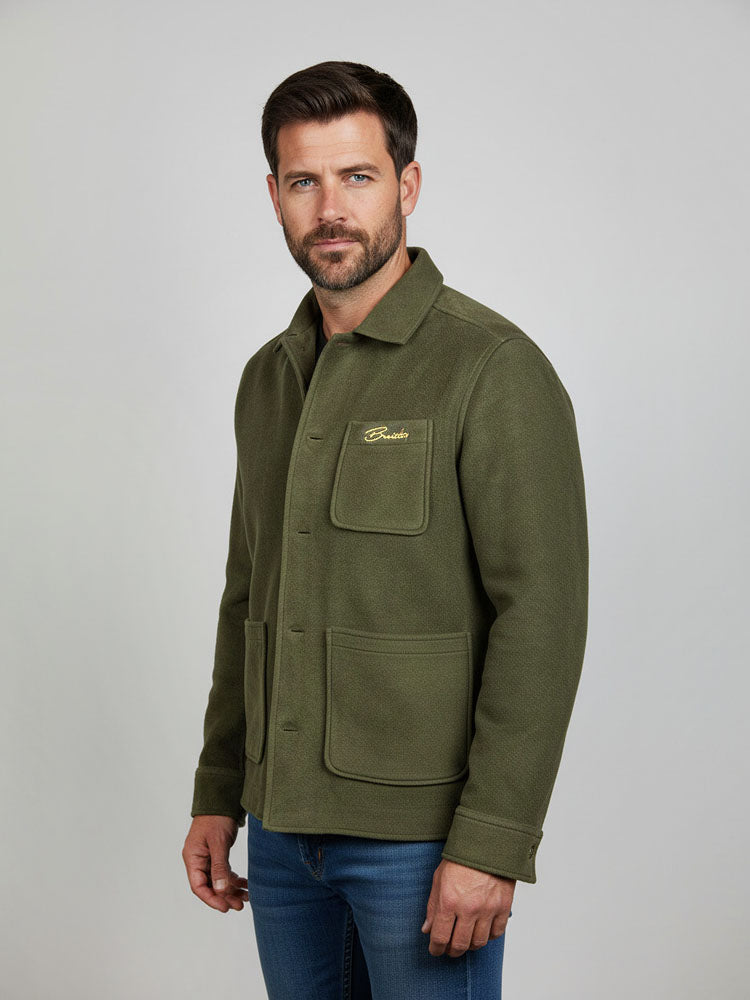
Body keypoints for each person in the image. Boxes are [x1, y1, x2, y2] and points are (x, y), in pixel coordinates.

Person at [182, 60, 589, 999]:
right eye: (304, 181)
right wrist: (217, 790)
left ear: (407, 185)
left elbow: (542, 616)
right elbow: (249, 595)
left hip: (423, 845)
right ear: (275, 197)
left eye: (357, 176)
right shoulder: (267, 377)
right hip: (279, 836)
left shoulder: (492, 367)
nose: (331, 208)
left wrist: (492, 841)